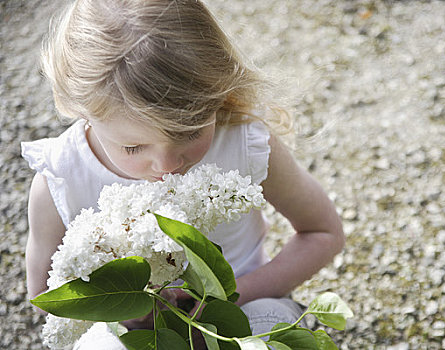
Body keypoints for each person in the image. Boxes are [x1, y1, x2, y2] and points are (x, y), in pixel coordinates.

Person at [22, 0, 344, 348]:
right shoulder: (62, 180)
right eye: (132, 147)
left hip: (246, 304)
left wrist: (227, 300)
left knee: (268, 323)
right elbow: (44, 294)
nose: (167, 165)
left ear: (217, 92)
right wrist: (125, 310)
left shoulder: (245, 143)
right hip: (129, 333)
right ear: (78, 108)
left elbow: (323, 233)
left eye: (190, 132)